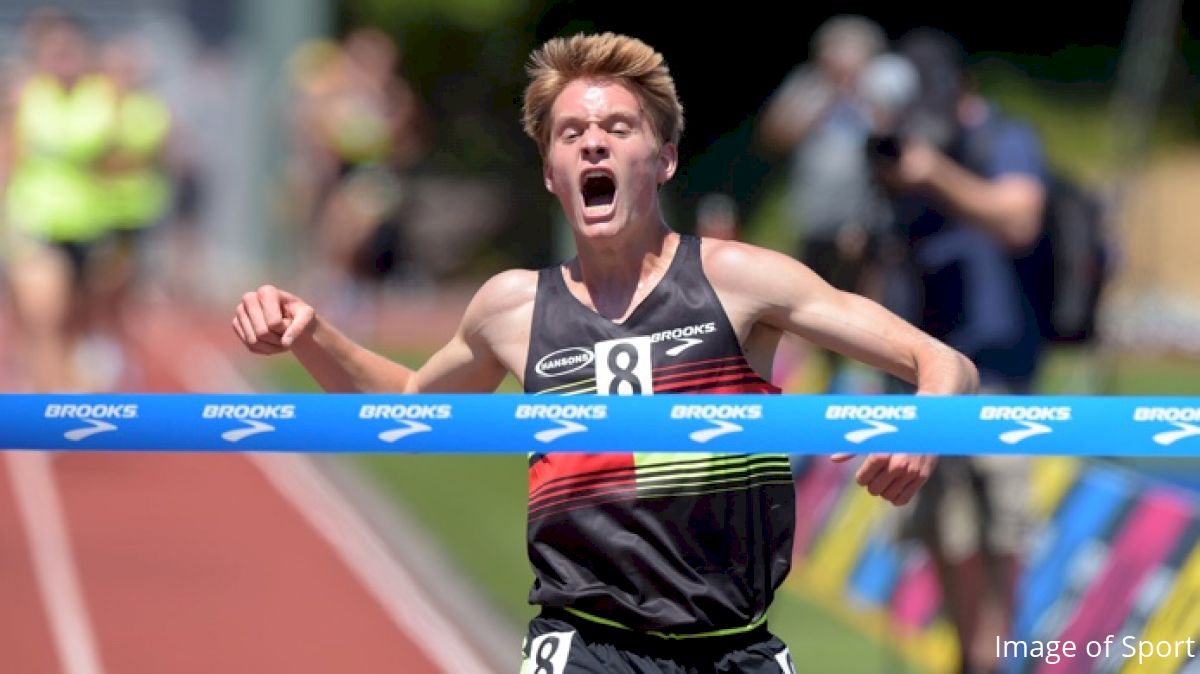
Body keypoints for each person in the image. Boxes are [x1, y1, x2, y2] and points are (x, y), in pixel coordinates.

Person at [233, 33, 978, 673]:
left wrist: (922, 427)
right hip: (585, 643)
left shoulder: (739, 280)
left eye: (619, 128)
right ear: (551, 173)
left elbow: (943, 364)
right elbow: (407, 409)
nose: (594, 141)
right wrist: (313, 335)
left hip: (734, 644)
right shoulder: (513, 307)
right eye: (570, 134)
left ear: (664, 161)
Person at [869, 28, 1048, 674]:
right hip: (917, 375)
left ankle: (991, 659)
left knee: (1000, 531)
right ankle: (970, 658)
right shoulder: (901, 151)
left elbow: (1020, 218)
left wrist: (934, 172)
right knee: (942, 532)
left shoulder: (1002, 138)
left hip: (998, 370)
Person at [758, 16, 892, 393]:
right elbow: (774, 134)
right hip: (814, 218)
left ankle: (865, 388)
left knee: (865, 307)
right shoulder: (807, 85)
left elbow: (896, 138)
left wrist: (862, 94)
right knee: (807, 310)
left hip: (867, 218)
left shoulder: (882, 85)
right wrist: (829, 97)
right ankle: (811, 386)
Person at [1, 10, 116, 391]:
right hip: (36, 222)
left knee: (74, 321)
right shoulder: (24, 95)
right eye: (55, 50)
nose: (63, 58)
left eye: (70, 50)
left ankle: (57, 387)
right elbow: (8, 156)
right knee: (44, 314)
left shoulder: (102, 96)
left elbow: (114, 161)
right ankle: (49, 415)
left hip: (88, 225)